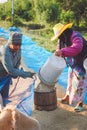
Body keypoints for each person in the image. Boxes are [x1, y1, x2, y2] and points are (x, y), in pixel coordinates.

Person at [51, 23, 87, 112]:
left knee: (81, 82)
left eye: (59, 35)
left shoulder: (75, 36)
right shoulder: (63, 39)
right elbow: (58, 48)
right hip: (73, 62)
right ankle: (67, 97)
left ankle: (80, 103)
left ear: (64, 32)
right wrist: (57, 52)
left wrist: (62, 51)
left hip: (82, 61)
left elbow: (77, 48)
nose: (59, 38)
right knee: (70, 79)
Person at [0, 32, 35, 107]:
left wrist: (16, 73)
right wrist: (26, 74)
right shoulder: (5, 52)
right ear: (10, 43)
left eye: (19, 45)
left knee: (4, 96)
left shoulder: (18, 49)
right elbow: (11, 71)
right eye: (15, 45)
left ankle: (3, 108)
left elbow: (18, 62)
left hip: (6, 76)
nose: (18, 47)